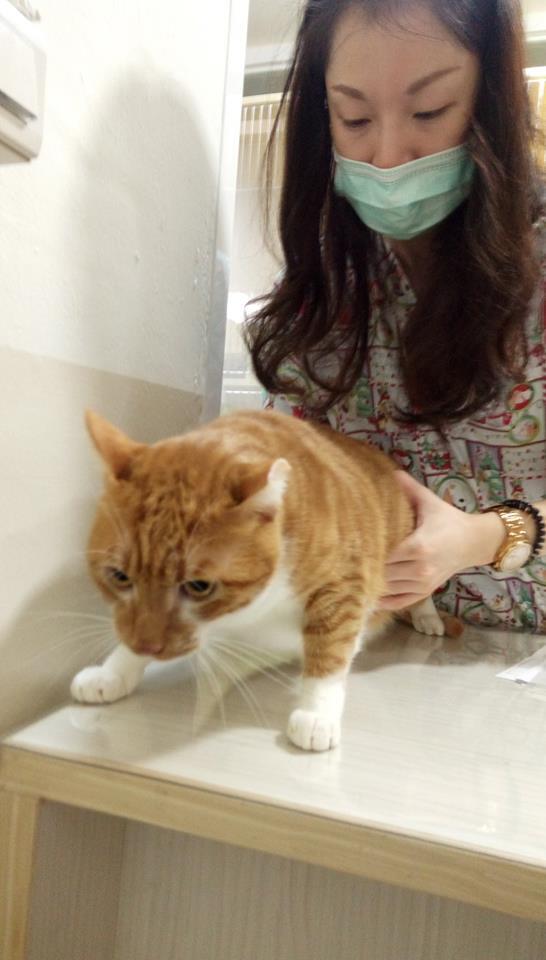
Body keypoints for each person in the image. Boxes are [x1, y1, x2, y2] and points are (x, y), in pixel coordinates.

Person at [243, 0, 546, 632]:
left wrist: (485, 535)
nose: (387, 158)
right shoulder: (326, 285)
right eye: (353, 118)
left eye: (429, 111)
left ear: (492, 99)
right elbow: (286, 460)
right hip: (383, 653)